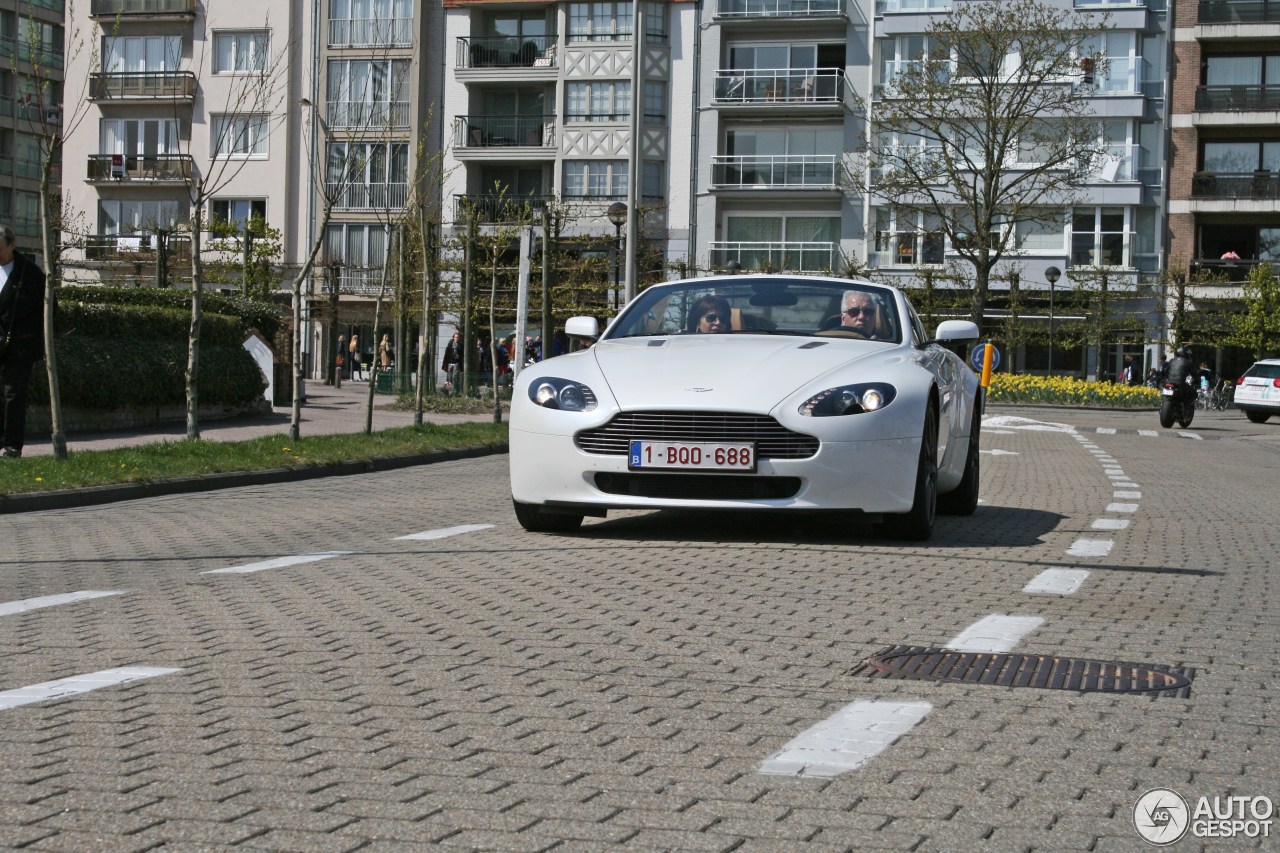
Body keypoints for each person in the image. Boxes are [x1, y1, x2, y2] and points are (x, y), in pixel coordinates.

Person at [0, 224, 47, 458]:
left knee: (14, 394)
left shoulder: (30, 273)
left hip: (19, 346)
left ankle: (12, 445)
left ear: (12, 245)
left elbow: (48, 309)